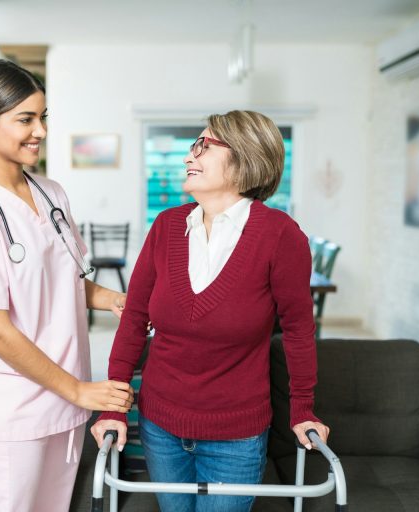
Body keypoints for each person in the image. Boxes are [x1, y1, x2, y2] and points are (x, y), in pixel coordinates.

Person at [91, 110, 330, 512]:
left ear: (246, 156)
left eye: (204, 146)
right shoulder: (166, 227)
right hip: (160, 425)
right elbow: (134, 318)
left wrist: (303, 408)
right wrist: (113, 406)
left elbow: (298, 330)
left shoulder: (280, 236)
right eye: (192, 146)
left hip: (237, 435)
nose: (190, 156)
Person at [0, 59, 133, 512]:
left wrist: (116, 300)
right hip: (13, 415)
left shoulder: (52, 194)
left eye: (42, 117)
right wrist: (80, 390)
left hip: (63, 408)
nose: (39, 130)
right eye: (25, 119)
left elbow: (67, 282)